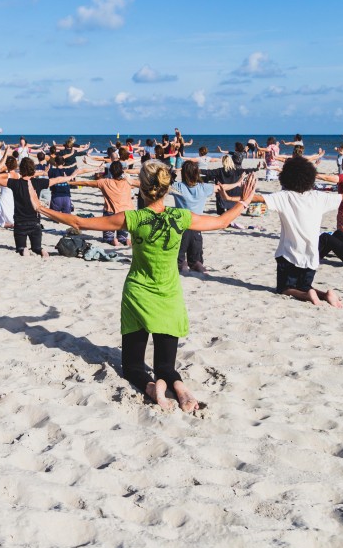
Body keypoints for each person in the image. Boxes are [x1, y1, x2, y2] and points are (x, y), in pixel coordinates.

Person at [33, 161, 258, 412]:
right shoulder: (180, 217)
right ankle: (180, 389)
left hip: (137, 295)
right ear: (166, 188)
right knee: (166, 367)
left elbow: (79, 222)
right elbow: (221, 221)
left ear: (142, 189)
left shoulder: (133, 218)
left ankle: (152, 388)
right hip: (168, 296)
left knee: (133, 367)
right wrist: (244, 201)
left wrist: (40, 207)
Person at [246, 156, 343, 308]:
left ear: (286, 178)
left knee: (284, 289)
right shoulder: (319, 197)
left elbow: (257, 198)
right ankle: (325, 295)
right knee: (304, 286)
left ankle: (309, 295)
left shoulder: (284, 197)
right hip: (312, 258)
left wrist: (234, 195)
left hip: (289, 256)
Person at [76, 161, 137, 246]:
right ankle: (125, 240)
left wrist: (70, 182)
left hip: (111, 213)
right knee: (122, 236)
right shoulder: (128, 182)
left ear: (110, 171)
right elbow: (142, 184)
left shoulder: (104, 182)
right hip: (127, 213)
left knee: (107, 238)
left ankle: (112, 241)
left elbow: (86, 183)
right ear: (122, 171)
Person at [170, 160, 215, 274]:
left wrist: (171, 174)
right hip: (197, 226)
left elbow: (162, 184)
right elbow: (221, 187)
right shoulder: (204, 187)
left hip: (181, 227)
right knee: (196, 261)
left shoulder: (178, 187)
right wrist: (238, 183)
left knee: (180, 259)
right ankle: (200, 269)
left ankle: (183, 267)